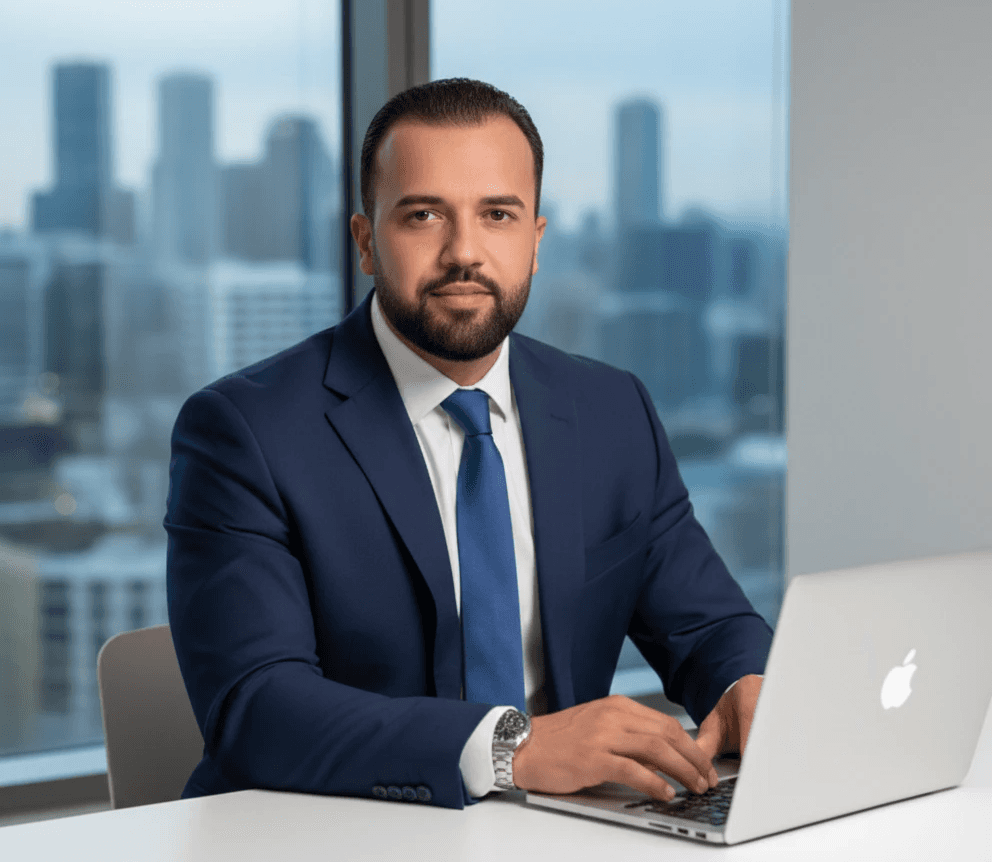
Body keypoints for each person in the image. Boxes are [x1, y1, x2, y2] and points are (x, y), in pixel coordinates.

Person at [165, 78, 772, 810]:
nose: (464, 252)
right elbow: (255, 707)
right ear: (365, 241)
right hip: (333, 833)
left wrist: (747, 684)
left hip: (564, 827)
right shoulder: (245, 431)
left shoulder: (612, 410)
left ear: (536, 241)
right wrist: (513, 747)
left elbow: (708, 624)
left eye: (497, 214)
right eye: (423, 215)